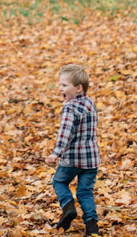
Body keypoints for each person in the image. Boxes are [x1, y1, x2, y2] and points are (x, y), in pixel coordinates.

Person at [45, 64, 100, 235]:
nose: (60, 89)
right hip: (91, 160)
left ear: (78, 88)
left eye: (64, 85)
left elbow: (65, 133)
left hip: (72, 159)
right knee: (85, 192)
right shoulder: (90, 103)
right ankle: (92, 226)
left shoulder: (70, 108)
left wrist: (56, 153)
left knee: (59, 182)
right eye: (59, 85)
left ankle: (68, 206)